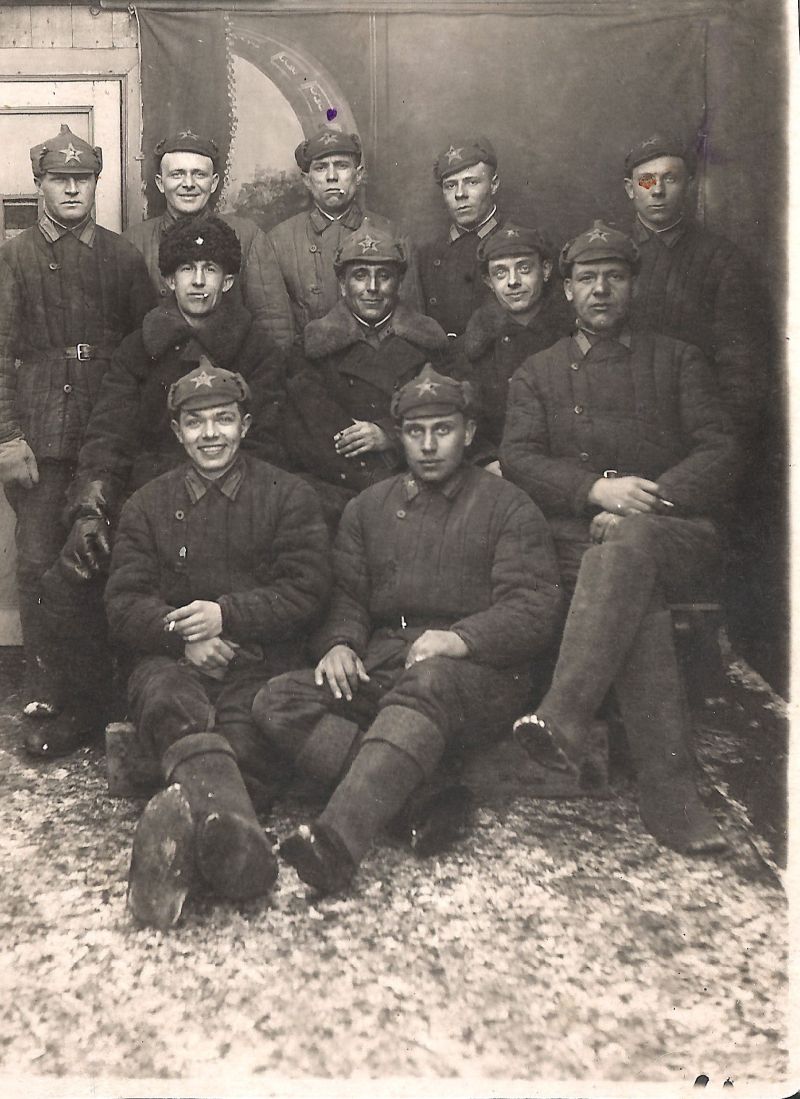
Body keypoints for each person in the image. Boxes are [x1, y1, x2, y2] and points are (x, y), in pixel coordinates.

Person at [252, 364, 562, 895]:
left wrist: (460, 639)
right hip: (389, 661)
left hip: (479, 676)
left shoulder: (507, 505)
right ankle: (422, 799)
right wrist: (340, 643)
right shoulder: (368, 507)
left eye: (443, 430)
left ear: (468, 432)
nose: (429, 445)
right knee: (279, 701)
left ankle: (337, 842)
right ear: (399, 436)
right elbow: (346, 595)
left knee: (431, 679)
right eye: (415, 432)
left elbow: (534, 607)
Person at [501, 221, 739, 855]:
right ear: (567, 290)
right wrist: (594, 492)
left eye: (614, 277)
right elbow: (518, 457)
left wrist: (645, 503)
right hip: (579, 539)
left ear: (633, 284)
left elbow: (721, 450)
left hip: (675, 532)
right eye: (587, 278)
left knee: (629, 547)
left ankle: (564, 714)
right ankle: (671, 797)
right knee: (633, 587)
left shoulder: (678, 359)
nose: (600, 290)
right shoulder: (537, 372)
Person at [30, 216, 290, 759]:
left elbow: (268, 442)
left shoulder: (257, 349)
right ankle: (85, 705)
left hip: (231, 496)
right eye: (185, 269)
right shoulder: (138, 348)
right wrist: (91, 510)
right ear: (168, 279)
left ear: (229, 280)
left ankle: (226, 706)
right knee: (72, 573)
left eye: (210, 269)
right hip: (148, 502)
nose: (198, 281)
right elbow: (108, 434)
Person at [104, 365, 331, 929]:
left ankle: (184, 847)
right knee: (166, 702)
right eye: (195, 422)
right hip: (172, 661)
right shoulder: (147, 504)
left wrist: (226, 615)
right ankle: (241, 855)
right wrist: (183, 636)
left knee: (248, 743)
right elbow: (124, 602)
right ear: (177, 432)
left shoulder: (287, 496)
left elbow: (307, 592)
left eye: (223, 419)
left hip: (257, 664)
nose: (210, 434)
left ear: (245, 425)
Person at [0, 124, 155, 739]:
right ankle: (45, 686)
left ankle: (106, 688)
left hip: (105, 431)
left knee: (107, 555)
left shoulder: (121, 257)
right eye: (59, 179)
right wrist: (6, 437)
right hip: (39, 437)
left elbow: (145, 350)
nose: (71, 189)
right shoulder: (13, 257)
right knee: (40, 560)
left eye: (82, 179)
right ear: (39, 183)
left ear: (95, 184)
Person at [284, 224, 449, 524]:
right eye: (360, 275)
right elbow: (311, 434)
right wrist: (373, 479)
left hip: (417, 475)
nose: (372, 287)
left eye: (383, 276)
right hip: (341, 486)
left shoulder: (430, 342)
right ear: (342, 284)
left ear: (399, 283)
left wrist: (390, 434)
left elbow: (453, 411)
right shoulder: (310, 347)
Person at [623, 132, 766, 439]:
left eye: (670, 179)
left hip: (694, 419)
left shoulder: (722, 259)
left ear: (689, 185)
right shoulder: (607, 254)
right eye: (646, 180)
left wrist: (726, 434)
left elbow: (738, 363)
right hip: (619, 413)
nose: (657, 190)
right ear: (630, 189)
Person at [123, 130, 293, 350]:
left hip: (230, 367)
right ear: (160, 182)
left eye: (199, 174)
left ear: (213, 183)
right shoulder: (133, 242)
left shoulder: (247, 236)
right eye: (177, 174)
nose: (188, 184)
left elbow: (273, 323)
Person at [264, 126, 422, 341]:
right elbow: (276, 326)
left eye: (342, 166)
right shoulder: (278, 241)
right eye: (321, 167)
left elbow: (411, 320)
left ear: (358, 175)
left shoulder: (393, 235)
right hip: (307, 356)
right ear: (307, 180)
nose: (332, 176)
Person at [458, 223, 571, 468]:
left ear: (546, 269)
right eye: (500, 273)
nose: (512, 282)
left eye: (524, 268)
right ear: (488, 281)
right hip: (499, 470)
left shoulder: (572, 336)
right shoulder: (474, 348)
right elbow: (465, 418)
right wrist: (486, 460)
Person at [419, 137, 503, 338]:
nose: (460, 194)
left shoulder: (519, 244)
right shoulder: (426, 254)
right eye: (450, 186)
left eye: (471, 182)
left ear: (494, 184)